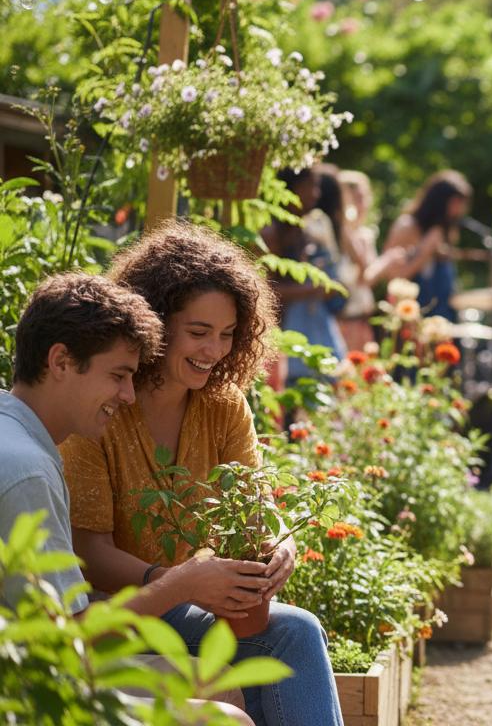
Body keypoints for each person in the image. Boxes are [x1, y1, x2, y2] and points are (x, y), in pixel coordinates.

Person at [61, 224, 344, 726]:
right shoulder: (102, 407)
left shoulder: (223, 404)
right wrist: (179, 582)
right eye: (198, 333)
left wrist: (281, 543)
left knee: (297, 632)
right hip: (114, 612)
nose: (214, 350)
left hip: (189, 600)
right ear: (153, 323)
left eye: (227, 334)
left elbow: (258, 505)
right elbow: (89, 549)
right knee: (273, 663)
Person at [2, 274, 253, 725]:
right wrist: (181, 583)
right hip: (23, 692)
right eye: (117, 376)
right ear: (60, 361)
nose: (128, 395)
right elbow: (64, 644)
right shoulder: (29, 472)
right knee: (227, 720)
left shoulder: (18, 435)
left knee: (213, 681)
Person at [266, 168, 348, 385]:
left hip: (309, 334)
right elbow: (266, 290)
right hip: (278, 342)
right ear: (290, 188)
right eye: (309, 186)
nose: (315, 194)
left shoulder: (309, 231)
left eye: (317, 186)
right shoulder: (272, 232)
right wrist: (314, 288)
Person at [365, 169, 472, 321]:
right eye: (455, 203)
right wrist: (425, 250)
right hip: (407, 314)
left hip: (441, 314)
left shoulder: (443, 231)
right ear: (440, 201)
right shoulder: (407, 226)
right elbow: (392, 277)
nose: (459, 210)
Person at [331, 168, 380, 352]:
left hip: (362, 317)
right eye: (357, 198)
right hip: (344, 318)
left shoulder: (364, 235)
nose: (363, 204)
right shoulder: (338, 236)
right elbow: (363, 276)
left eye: (364, 198)